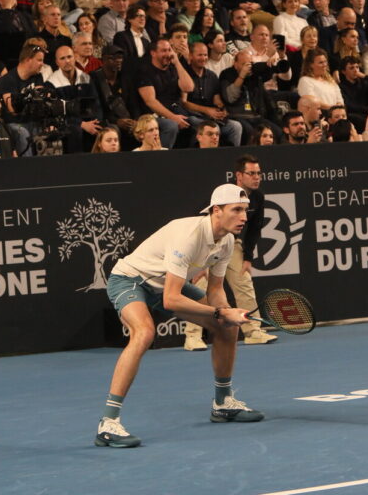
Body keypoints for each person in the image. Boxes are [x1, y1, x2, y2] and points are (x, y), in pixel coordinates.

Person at [97, 183, 264, 448]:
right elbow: (171, 299)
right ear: (217, 210)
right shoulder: (188, 235)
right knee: (144, 333)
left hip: (165, 283)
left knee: (227, 327)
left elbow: (216, 290)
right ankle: (108, 424)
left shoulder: (228, 241)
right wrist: (221, 311)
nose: (244, 217)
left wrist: (227, 315)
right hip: (131, 280)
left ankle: (223, 403)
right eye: (236, 210)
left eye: (245, 210)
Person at [183, 154, 278, 351]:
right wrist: (199, 258)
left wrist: (248, 257)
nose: (256, 177)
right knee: (200, 285)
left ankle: (253, 332)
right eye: (251, 173)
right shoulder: (225, 194)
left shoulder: (258, 197)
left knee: (244, 283)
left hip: (232, 244)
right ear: (239, 176)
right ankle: (192, 337)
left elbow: (255, 228)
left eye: (258, 173)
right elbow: (200, 220)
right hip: (206, 243)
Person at [136, 38, 194, 149]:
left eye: (169, 50)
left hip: (176, 111)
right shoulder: (144, 71)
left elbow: (189, 88)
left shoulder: (173, 69)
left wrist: (177, 63)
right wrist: (173, 117)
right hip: (152, 116)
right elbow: (150, 101)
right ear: (153, 53)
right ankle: (161, 159)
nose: (168, 54)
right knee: (171, 126)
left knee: (198, 123)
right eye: (164, 51)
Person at [183, 42, 242, 146]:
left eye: (205, 55)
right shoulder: (185, 74)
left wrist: (222, 110)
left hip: (210, 116)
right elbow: (184, 103)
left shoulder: (212, 76)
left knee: (236, 126)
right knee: (213, 127)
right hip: (192, 116)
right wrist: (207, 110)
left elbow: (217, 100)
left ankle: (232, 158)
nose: (203, 58)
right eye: (200, 55)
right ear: (191, 56)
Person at [219, 49, 283, 143]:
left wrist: (271, 64)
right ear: (235, 64)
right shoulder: (227, 74)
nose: (248, 67)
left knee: (277, 132)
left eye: (250, 63)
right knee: (250, 132)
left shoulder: (254, 75)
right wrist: (241, 76)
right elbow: (230, 98)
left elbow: (269, 74)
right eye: (244, 64)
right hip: (237, 116)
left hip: (255, 116)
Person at [0, 43, 45, 155]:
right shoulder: (7, 79)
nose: (42, 64)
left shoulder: (38, 76)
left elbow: (40, 103)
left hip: (33, 120)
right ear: (28, 60)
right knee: (23, 133)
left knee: (47, 131)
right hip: (15, 123)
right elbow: (12, 109)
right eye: (39, 60)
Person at [338, 55, 368, 131]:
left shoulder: (364, 83)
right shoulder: (341, 87)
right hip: (354, 115)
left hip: (367, 113)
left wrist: (365, 76)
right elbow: (348, 105)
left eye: (357, 67)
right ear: (344, 71)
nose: (356, 70)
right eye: (351, 68)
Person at [112, 4, 149, 74]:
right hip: (128, 75)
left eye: (144, 16)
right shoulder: (121, 36)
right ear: (130, 19)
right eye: (139, 16)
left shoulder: (146, 42)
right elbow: (124, 61)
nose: (143, 19)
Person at [38, 3, 73, 69]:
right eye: (53, 15)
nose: (56, 17)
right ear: (45, 19)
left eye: (58, 15)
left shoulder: (67, 40)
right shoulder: (37, 39)